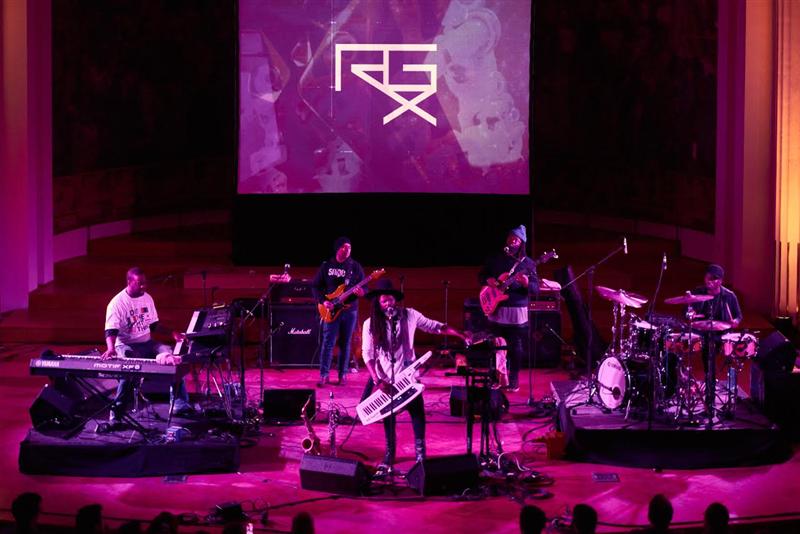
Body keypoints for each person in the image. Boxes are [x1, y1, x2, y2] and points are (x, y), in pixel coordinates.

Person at [361, 279, 468, 469]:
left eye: (390, 300)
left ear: (395, 300)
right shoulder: (370, 324)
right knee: (389, 416)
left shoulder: (410, 315)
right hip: (386, 380)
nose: (388, 304)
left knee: (417, 412)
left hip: (409, 378)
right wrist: (377, 381)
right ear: (378, 303)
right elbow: (367, 354)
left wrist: (460, 334)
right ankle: (390, 453)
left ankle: (420, 453)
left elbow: (436, 326)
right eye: (384, 301)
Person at [102, 267, 192, 422]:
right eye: (140, 283)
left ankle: (179, 404)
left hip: (147, 342)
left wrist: (172, 333)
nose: (144, 286)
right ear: (129, 282)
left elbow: (154, 325)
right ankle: (116, 412)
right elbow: (111, 330)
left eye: (145, 283)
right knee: (129, 368)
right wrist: (111, 348)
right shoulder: (117, 303)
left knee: (173, 358)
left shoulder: (147, 298)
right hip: (126, 345)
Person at [479, 225, 538, 392]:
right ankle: (496, 376)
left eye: (516, 239)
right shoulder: (495, 259)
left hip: (516, 312)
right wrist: (488, 280)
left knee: (515, 347)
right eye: (510, 237)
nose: (512, 241)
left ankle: (513, 378)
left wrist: (527, 283)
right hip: (496, 308)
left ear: (522, 243)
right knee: (495, 344)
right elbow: (482, 275)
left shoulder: (528, 263)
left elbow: (535, 289)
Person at [689, 264, 742, 416]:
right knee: (707, 364)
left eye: (713, 279)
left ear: (720, 281)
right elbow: (687, 310)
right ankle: (708, 398)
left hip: (721, 335)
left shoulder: (729, 296)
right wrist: (690, 313)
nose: (709, 282)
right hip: (703, 334)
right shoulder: (698, 293)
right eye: (707, 278)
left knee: (722, 363)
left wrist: (735, 322)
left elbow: (738, 316)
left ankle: (719, 398)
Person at [312, 237, 366, 387]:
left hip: (349, 311)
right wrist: (323, 301)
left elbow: (365, 288)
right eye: (344, 247)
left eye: (350, 247)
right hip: (330, 309)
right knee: (328, 343)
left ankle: (343, 375)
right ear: (338, 248)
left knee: (345, 343)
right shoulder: (327, 266)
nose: (348, 250)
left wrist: (362, 292)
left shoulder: (355, 266)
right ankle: (324, 375)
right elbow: (315, 286)